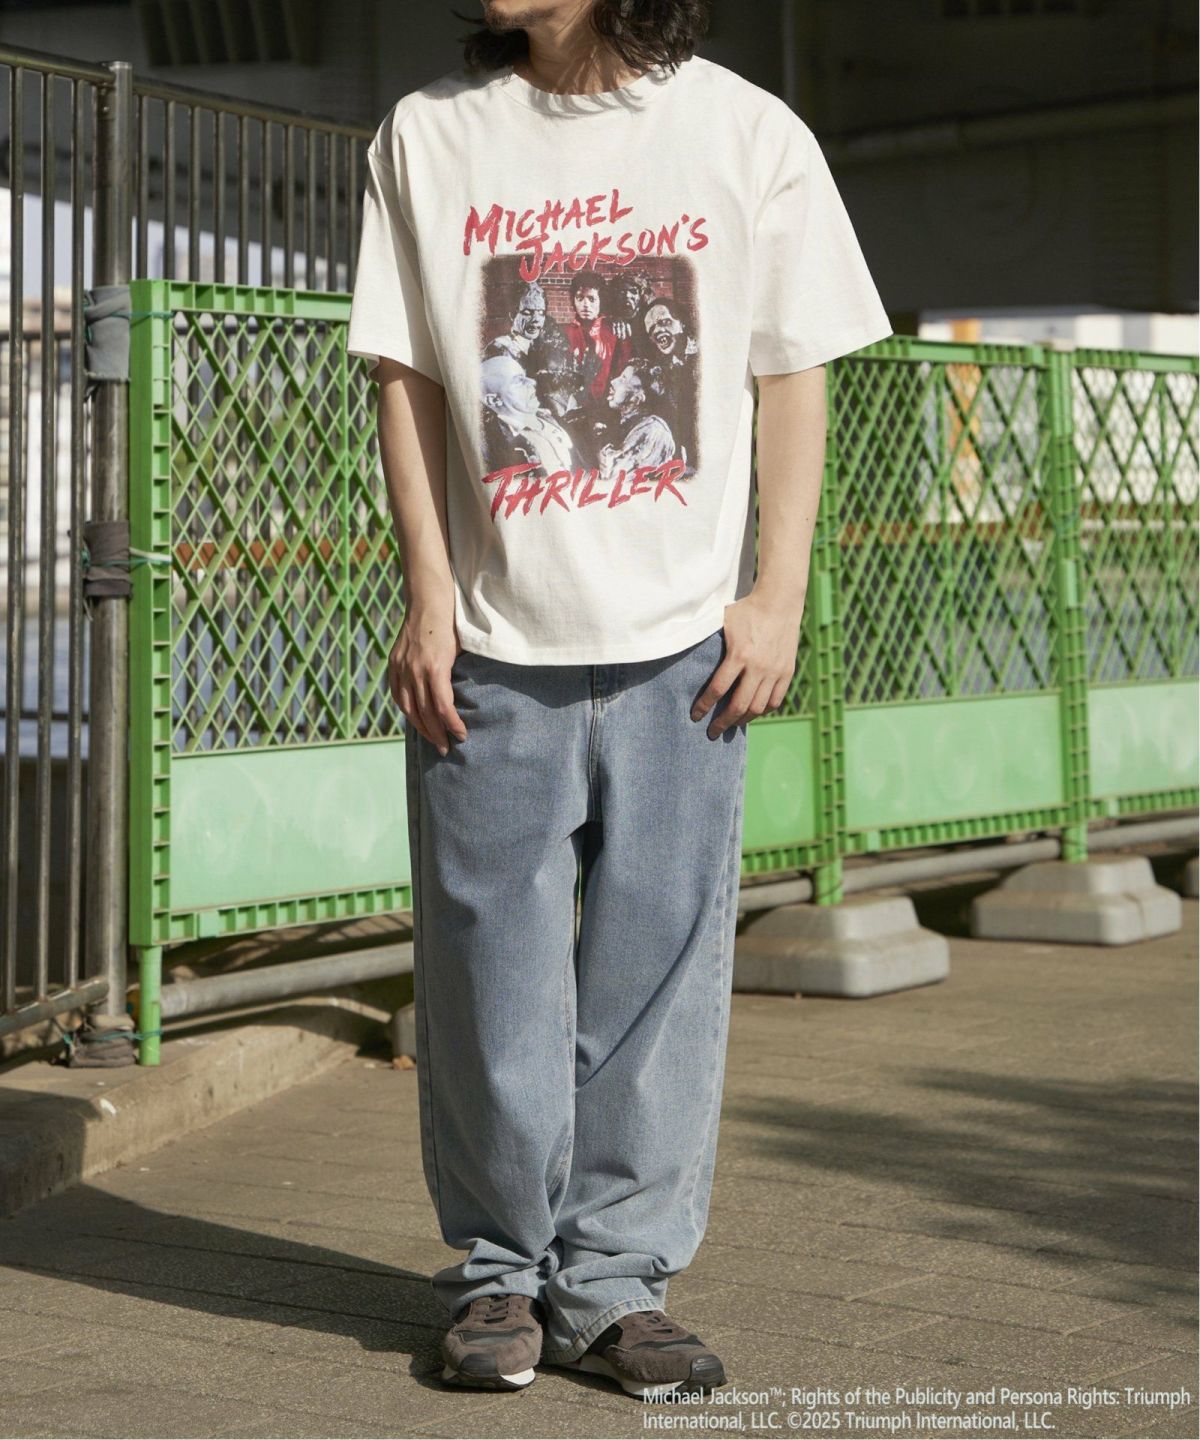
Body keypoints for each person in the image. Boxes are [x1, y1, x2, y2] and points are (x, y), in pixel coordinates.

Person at [346, 0, 892, 1403]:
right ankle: (497, 1273)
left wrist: (777, 595)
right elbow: (405, 376)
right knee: (486, 976)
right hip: (489, 643)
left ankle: (613, 1285)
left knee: (660, 976)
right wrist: (427, 591)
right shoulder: (429, 136)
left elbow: (792, 370)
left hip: (683, 649)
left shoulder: (746, 132)